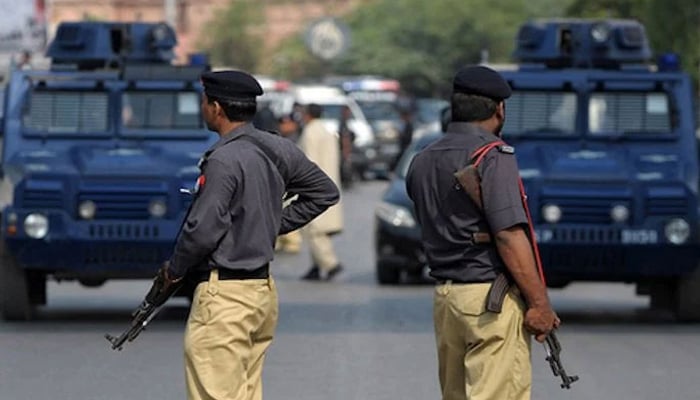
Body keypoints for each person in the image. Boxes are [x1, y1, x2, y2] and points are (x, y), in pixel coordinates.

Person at [147, 70, 340, 400]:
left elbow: (202, 230)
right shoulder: (277, 147)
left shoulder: (223, 158)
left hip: (225, 299)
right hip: (260, 294)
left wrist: (174, 270)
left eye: (205, 102)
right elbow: (324, 191)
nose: (203, 108)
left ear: (217, 108)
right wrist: (268, 223)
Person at [405, 65, 559, 400]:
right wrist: (539, 304)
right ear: (499, 109)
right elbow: (508, 235)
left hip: (447, 299)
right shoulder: (492, 155)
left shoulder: (422, 160)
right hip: (489, 301)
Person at [298, 103, 344, 281]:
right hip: (329, 184)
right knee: (319, 229)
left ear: (308, 114)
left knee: (315, 230)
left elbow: (309, 162)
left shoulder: (310, 132)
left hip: (314, 187)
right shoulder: (326, 131)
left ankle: (330, 264)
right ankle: (316, 266)